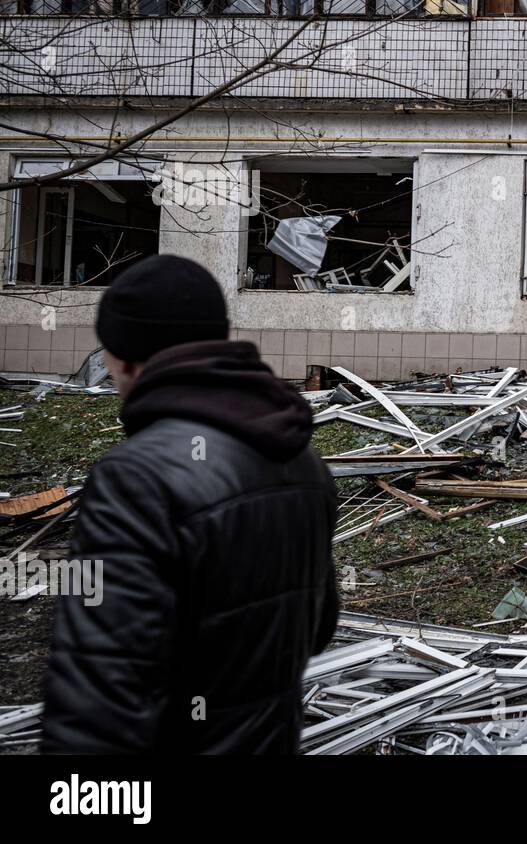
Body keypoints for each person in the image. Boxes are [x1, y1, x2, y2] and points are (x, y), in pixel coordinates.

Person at [42, 254, 338, 753]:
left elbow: (99, 693)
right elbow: (317, 627)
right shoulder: (302, 460)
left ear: (126, 357)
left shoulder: (136, 478)